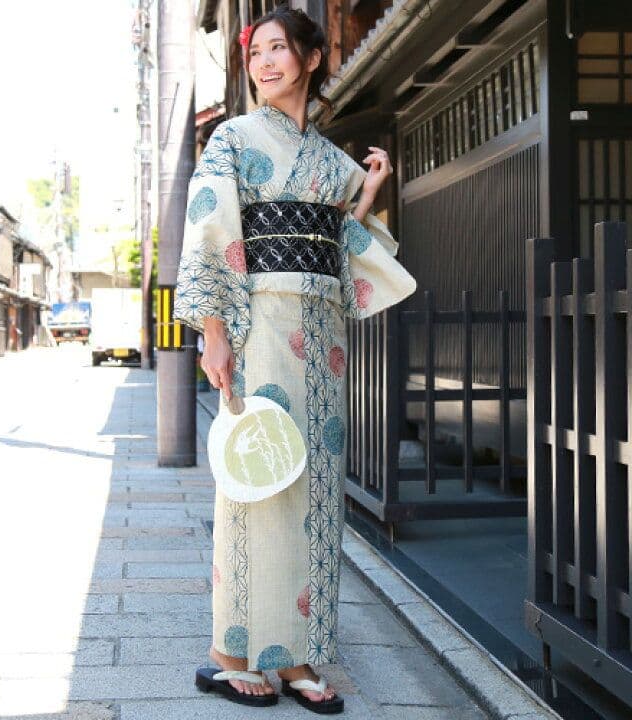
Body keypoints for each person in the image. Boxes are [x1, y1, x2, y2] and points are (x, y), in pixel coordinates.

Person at [173, 6, 416, 713]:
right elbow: (210, 227)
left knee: (314, 488)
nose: (265, 63)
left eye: (279, 49)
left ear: (311, 60)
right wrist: (214, 331)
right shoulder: (232, 138)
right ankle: (232, 654)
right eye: (257, 53)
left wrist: (367, 193)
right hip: (258, 324)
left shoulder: (333, 161)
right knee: (258, 476)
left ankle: (298, 654)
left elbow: (339, 241)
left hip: (322, 336)